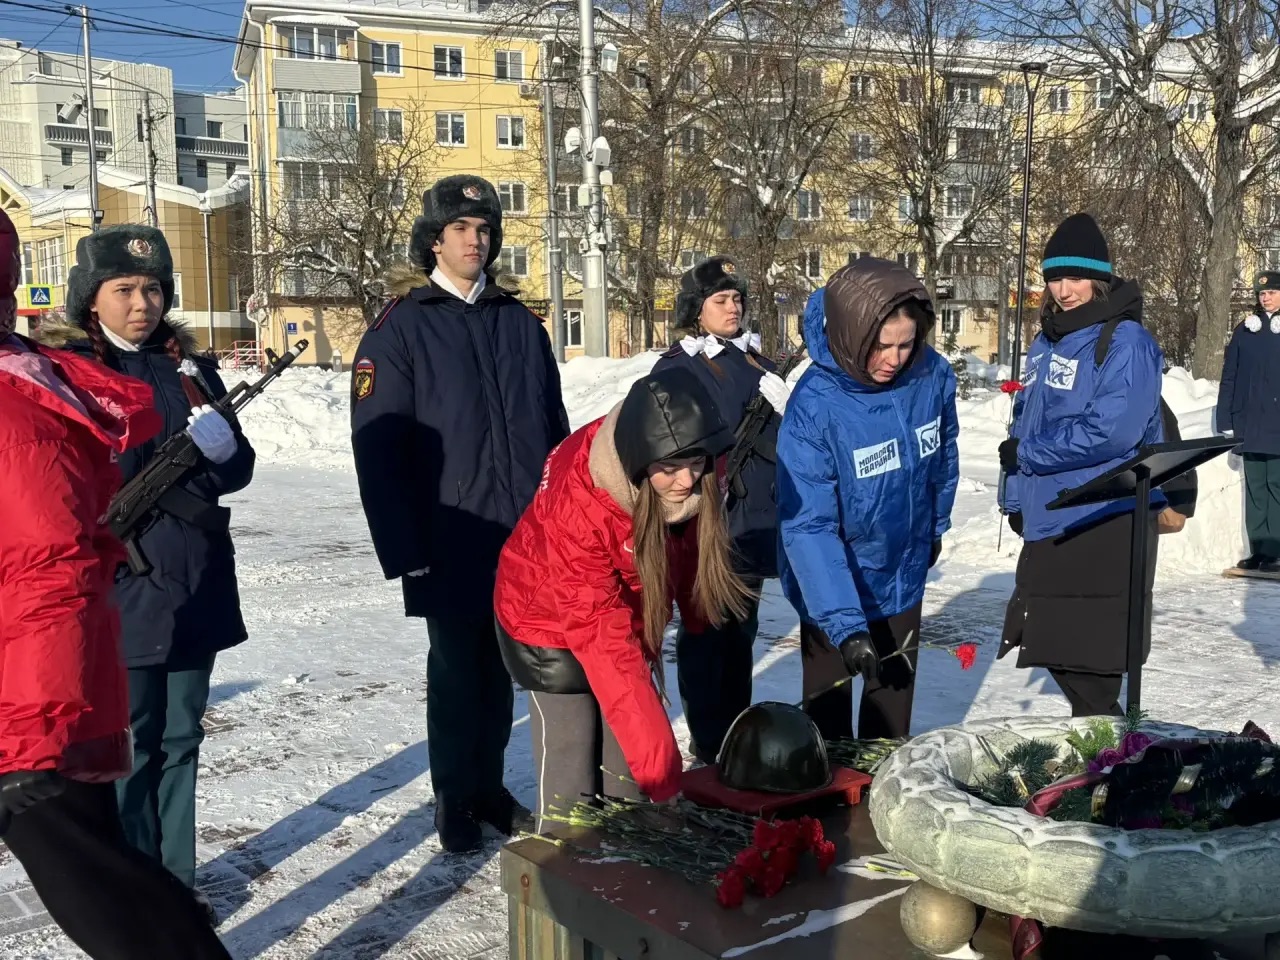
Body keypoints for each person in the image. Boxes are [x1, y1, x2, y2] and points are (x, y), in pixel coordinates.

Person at [0, 210, 234, 959]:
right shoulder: (66, 376)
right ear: (90, 298)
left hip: (190, 582)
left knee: (182, 739)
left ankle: (176, 879)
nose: (143, 303)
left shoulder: (188, 370)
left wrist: (220, 452)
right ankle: (144, 888)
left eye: (154, 288)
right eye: (125, 288)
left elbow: (235, 466)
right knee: (123, 758)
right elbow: (82, 494)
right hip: (120, 593)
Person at [352, 175, 570, 852]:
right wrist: (403, 546)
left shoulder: (518, 325)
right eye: (461, 230)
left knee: (500, 668)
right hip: (446, 535)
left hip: (520, 534)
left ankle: (489, 788)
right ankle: (454, 797)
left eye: (484, 230)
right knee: (454, 674)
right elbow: (378, 449)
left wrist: (561, 522)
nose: (475, 241)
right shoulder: (400, 329)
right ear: (433, 241)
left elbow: (554, 429)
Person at [493, 367, 753, 828]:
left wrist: (703, 622)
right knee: (573, 768)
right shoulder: (581, 500)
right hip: (544, 615)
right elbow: (602, 638)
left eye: (695, 465)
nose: (686, 481)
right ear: (638, 459)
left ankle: (628, 864)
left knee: (629, 773)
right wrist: (665, 776)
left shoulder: (697, 465)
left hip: (624, 606)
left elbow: (691, 548)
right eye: (669, 469)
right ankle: (562, 870)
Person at [778, 257, 958, 741]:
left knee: (888, 726)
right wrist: (844, 625)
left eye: (905, 344)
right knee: (829, 728)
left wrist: (934, 528)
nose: (894, 359)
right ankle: (824, 811)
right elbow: (806, 524)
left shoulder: (931, 376)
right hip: (833, 588)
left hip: (902, 574)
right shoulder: (815, 406)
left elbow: (941, 457)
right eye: (881, 346)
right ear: (854, 334)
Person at [998, 213, 1165, 717]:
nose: (1064, 289)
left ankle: (1110, 756)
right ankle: (1099, 752)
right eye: (1054, 276)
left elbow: (1113, 430)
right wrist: (1014, 496)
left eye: (1075, 277)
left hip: (1101, 516)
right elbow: (1026, 418)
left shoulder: (1126, 341)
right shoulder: (1048, 338)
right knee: (1048, 634)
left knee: (1090, 658)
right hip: (1050, 511)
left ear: (1099, 277)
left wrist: (1028, 456)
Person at [649, 256, 789, 763]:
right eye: (720, 300)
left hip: (752, 521)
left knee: (741, 631)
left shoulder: (759, 364)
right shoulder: (679, 366)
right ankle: (710, 739)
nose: (733, 308)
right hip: (705, 518)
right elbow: (666, 441)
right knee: (705, 630)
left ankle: (734, 733)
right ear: (697, 309)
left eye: (738, 299)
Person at [1217, 270, 1280, 571]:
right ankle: (1259, 550)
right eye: (1261, 294)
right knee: (1256, 487)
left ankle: (1276, 550)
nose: (1265, 297)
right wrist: (1225, 417)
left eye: (1271, 292)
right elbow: (1230, 376)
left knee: (1276, 485)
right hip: (1251, 421)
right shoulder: (1246, 330)